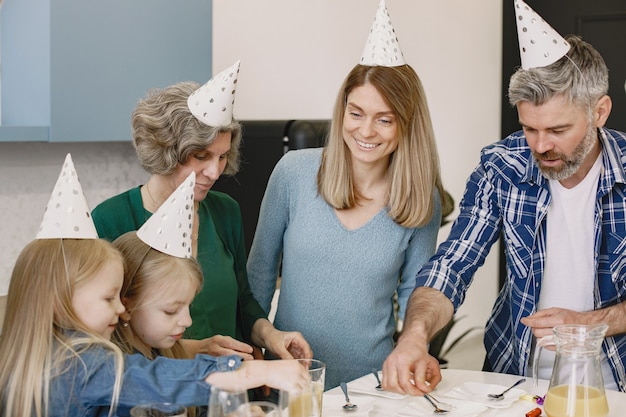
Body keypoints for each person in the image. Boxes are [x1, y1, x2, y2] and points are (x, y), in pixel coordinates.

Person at [382, 3, 626, 395]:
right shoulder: (502, 167)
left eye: (558, 129)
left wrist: (592, 323)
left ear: (599, 112)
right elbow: (452, 265)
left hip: (615, 384)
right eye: (529, 128)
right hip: (514, 381)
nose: (541, 145)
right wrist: (415, 334)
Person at [0, 156, 310, 417]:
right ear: (59, 300)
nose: (120, 307)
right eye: (109, 298)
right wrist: (258, 373)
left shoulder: (51, 354)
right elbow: (156, 379)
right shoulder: (81, 364)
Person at [247, 0, 450, 390]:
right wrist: (255, 363)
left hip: (371, 387)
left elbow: (415, 297)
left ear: (407, 125)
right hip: (289, 382)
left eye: (384, 119)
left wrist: (417, 347)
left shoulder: (422, 201)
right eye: (356, 113)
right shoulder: (294, 173)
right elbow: (257, 279)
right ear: (342, 110)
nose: (366, 131)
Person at [91, 62, 311, 362]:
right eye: (200, 156)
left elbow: (243, 303)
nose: (214, 171)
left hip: (229, 387)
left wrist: (272, 336)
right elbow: (101, 334)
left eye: (222, 157)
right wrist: (195, 350)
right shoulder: (110, 219)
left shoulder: (225, 211)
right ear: (164, 150)